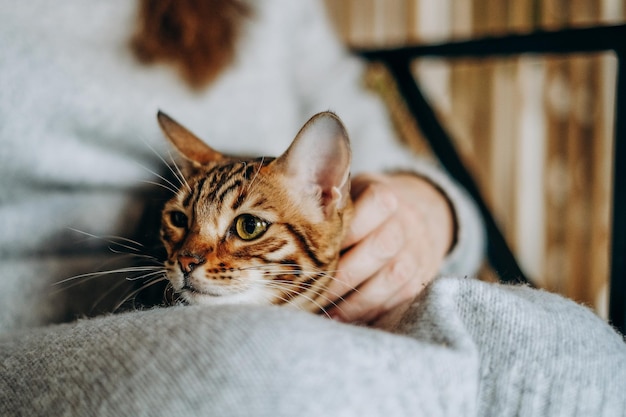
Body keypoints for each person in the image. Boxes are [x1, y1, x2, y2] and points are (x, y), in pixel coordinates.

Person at [1, 1, 624, 416]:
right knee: (271, 371)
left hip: (315, 260)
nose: (192, 257)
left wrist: (427, 209)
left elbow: (370, 143)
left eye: (242, 229)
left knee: (561, 344)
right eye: (182, 224)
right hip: (42, 310)